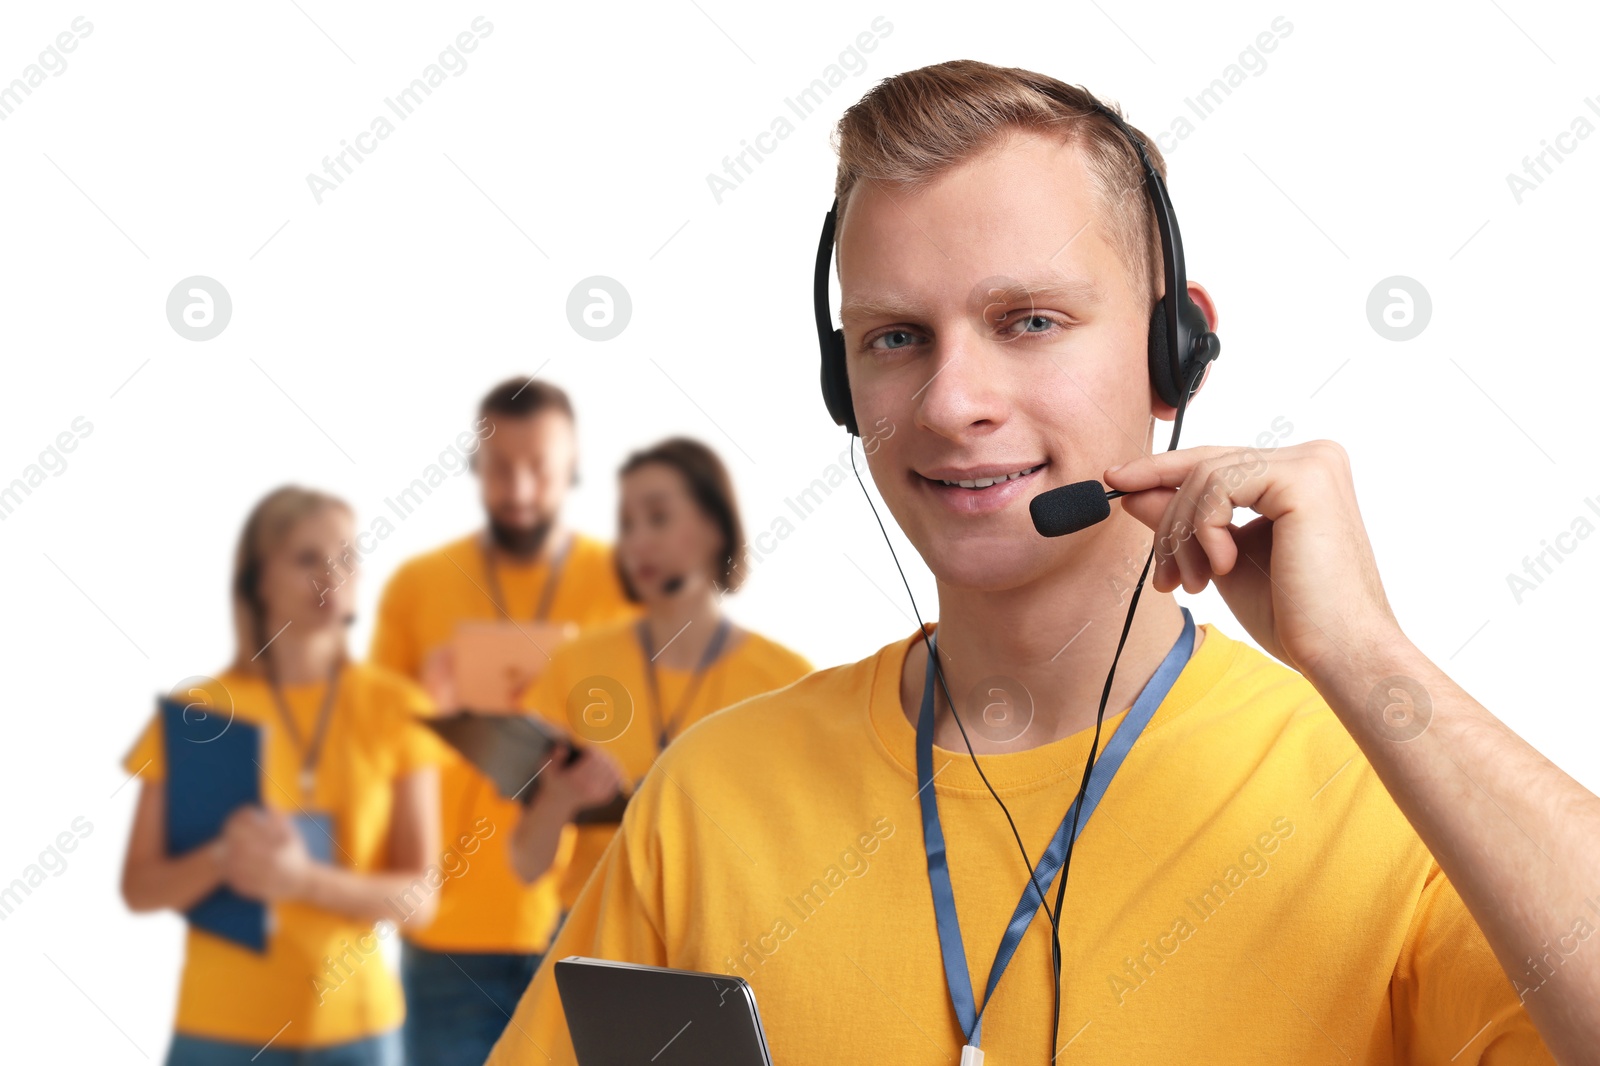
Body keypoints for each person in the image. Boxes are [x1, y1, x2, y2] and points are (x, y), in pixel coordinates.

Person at [483, 61, 1600, 1064]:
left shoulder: (1393, 795)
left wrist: (1362, 652)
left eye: (1027, 320)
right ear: (843, 383)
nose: (952, 402)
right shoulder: (709, 797)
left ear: (1177, 352)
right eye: (894, 337)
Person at [120, 486, 443, 1066]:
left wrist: (299, 880)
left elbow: (420, 900)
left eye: (346, 556)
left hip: (356, 1028)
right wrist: (224, 857)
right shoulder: (200, 712)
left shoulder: (398, 707)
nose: (331, 575)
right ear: (257, 580)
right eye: (305, 558)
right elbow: (140, 887)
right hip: (219, 1029)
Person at [367, 377, 637, 1066]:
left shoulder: (625, 581)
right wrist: (423, 702)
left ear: (573, 466)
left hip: (585, 927)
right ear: (475, 469)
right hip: (451, 931)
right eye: (500, 469)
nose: (519, 489)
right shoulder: (417, 586)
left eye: (539, 468)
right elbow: (368, 760)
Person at [508, 437, 813, 898]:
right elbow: (526, 866)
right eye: (627, 524)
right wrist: (562, 798)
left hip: (722, 942)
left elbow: (802, 850)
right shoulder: (576, 664)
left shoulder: (788, 681)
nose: (637, 542)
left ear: (716, 526)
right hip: (594, 942)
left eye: (657, 517)